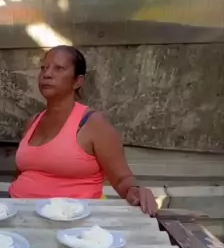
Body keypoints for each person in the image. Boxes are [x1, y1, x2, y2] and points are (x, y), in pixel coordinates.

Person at [9, 46, 158, 216]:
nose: (47, 74)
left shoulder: (93, 124)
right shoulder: (33, 122)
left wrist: (136, 191)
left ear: (78, 81)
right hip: (18, 214)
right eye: (44, 68)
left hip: (71, 220)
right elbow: (23, 174)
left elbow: (122, 179)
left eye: (59, 68)